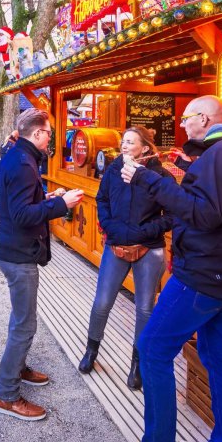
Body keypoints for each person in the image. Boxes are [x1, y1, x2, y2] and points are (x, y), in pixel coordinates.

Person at [120, 95, 222, 442]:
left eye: (187, 118)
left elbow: (205, 214)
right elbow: (218, 206)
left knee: (153, 349)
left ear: (205, 119)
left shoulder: (221, 154)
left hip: (203, 273)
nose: (182, 125)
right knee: (217, 356)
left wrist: (150, 180)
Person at [0, 108, 84, 421]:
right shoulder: (22, 163)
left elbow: (15, 203)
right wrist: (61, 204)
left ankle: (18, 369)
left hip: (15, 249)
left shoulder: (20, 156)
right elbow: (19, 215)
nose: (51, 138)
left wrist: (47, 196)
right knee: (25, 324)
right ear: (37, 133)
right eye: (49, 132)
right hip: (18, 254)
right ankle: (6, 395)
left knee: (21, 319)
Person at [79, 127, 173, 390]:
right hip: (116, 243)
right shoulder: (112, 170)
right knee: (102, 302)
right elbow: (103, 200)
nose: (123, 146)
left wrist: (145, 232)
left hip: (149, 247)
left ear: (144, 148)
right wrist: (112, 229)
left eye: (130, 142)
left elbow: (172, 214)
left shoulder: (161, 175)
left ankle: (137, 364)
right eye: (123, 141)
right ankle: (91, 350)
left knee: (144, 308)